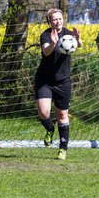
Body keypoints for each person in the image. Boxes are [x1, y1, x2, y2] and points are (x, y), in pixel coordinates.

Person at [35, 8, 82, 160]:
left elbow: (78, 45)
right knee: (44, 113)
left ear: (63, 19)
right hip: (44, 80)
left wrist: (78, 39)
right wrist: (53, 43)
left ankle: (63, 149)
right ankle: (49, 128)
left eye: (60, 18)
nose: (58, 21)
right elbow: (46, 51)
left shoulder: (68, 34)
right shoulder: (46, 35)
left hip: (63, 81)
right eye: (54, 19)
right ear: (50, 21)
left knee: (62, 114)